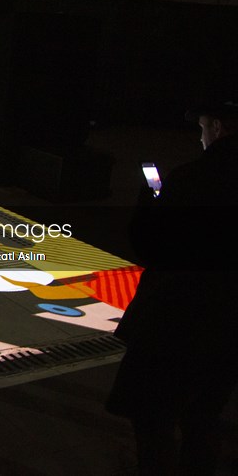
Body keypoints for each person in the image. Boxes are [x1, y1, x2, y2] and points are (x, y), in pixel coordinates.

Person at [107, 100, 238, 475]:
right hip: (229, 325)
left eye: (201, 127)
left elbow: (149, 244)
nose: (200, 135)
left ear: (217, 127)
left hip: (178, 319)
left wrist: (151, 201)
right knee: (204, 416)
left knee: (154, 416)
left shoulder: (190, 179)